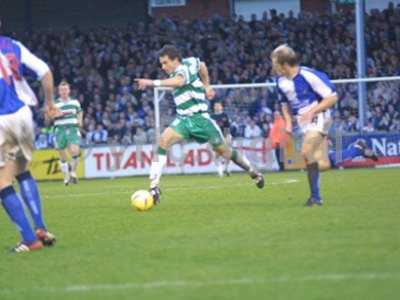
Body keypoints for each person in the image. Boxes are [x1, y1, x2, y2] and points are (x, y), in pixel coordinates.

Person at [135, 45, 264, 203]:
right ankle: (154, 187)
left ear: (176, 60)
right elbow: (202, 65)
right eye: (161, 63)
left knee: (225, 152)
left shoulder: (184, 69)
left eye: (165, 62)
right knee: (162, 141)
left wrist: (150, 82)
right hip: (183, 119)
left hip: (201, 120)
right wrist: (207, 84)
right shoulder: (191, 62)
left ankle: (253, 171)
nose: (163, 67)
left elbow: (179, 81)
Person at [272, 44, 377, 207]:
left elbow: (332, 97)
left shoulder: (309, 75)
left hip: (319, 116)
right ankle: (358, 149)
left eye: (275, 63)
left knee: (306, 151)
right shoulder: (280, 82)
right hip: (302, 122)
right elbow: (284, 104)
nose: (274, 67)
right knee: (323, 164)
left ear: (284, 64)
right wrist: (287, 122)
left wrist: (313, 111)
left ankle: (315, 198)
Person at [0, 27, 58, 252]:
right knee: (23, 171)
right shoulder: (13, 45)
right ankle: (40, 227)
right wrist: (49, 103)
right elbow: (44, 71)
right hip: (23, 115)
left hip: (2, 120)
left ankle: (29, 239)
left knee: (3, 182)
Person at [53, 81, 83, 185]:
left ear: (69, 91)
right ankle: (66, 177)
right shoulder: (55, 103)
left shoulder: (75, 102)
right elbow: (48, 116)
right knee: (63, 156)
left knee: (75, 151)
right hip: (60, 130)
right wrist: (56, 115)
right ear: (59, 92)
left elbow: (80, 111)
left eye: (66, 89)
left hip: (72, 128)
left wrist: (80, 120)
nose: (64, 91)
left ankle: (73, 172)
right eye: (62, 90)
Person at [211, 101, 231, 177]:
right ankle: (220, 171)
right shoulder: (211, 116)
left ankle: (226, 169)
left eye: (218, 105)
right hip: (216, 137)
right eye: (215, 105)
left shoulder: (224, 115)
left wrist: (227, 137)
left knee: (228, 153)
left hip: (225, 135)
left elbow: (227, 127)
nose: (217, 107)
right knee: (217, 155)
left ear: (221, 107)